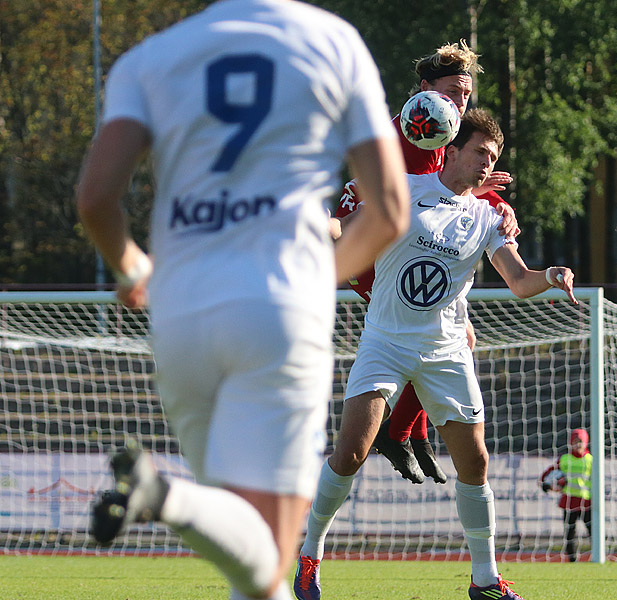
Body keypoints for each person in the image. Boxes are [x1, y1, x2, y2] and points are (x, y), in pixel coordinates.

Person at [75, 2, 409, 600]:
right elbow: (389, 210)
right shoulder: (334, 42)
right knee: (268, 549)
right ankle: (162, 494)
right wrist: (312, 278)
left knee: (245, 556)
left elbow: (96, 198)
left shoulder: (150, 57)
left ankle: (167, 497)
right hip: (279, 308)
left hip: (180, 312)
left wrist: (130, 266)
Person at [293, 109, 577, 600]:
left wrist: (552, 275)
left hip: (445, 351)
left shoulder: (489, 217)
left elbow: (518, 281)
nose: (487, 165)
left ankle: (485, 578)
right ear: (453, 148)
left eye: (493, 158)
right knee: (352, 452)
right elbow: (348, 228)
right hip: (385, 341)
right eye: (480, 153)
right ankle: (309, 557)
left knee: (476, 463)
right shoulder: (403, 188)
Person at [336, 40, 519, 486]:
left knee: (450, 335)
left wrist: (487, 197)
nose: (460, 102)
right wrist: (482, 195)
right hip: (368, 240)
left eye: (466, 95)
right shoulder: (424, 125)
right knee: (447, 333)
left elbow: (438, 190)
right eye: (453, 91)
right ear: (424, 89)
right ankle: (396, 432)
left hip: (387, 231)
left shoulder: (437, 128)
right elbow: (425, 194)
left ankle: (413, 434)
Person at [539, 429, 593, 562]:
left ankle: (598, 555)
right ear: (570, 443)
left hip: (587, 502)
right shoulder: (564, 459)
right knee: (570, 533)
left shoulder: (591, 460)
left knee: (593, 531)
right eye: (575, 442)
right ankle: (572, 559)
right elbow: (549, 474)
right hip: (568, 502)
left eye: (580, 442)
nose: (578, 445)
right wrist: (547, 484)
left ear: (586, 443)